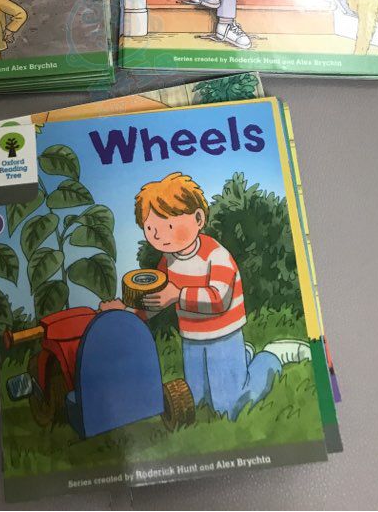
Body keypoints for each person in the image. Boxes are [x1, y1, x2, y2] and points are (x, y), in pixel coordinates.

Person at [102, 172, 282, 421]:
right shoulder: (168, 260)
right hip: (191, 338)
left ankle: (270, 359)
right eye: (150, 228)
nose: (158, 235)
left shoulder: (216, 256)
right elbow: (157, 300)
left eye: (168, 226)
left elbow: (219, 300)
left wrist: (177, 295)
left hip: (223, 334)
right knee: (196, 401)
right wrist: (126, 312)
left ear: (198, 218)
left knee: (229, 408)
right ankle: (242, 359)